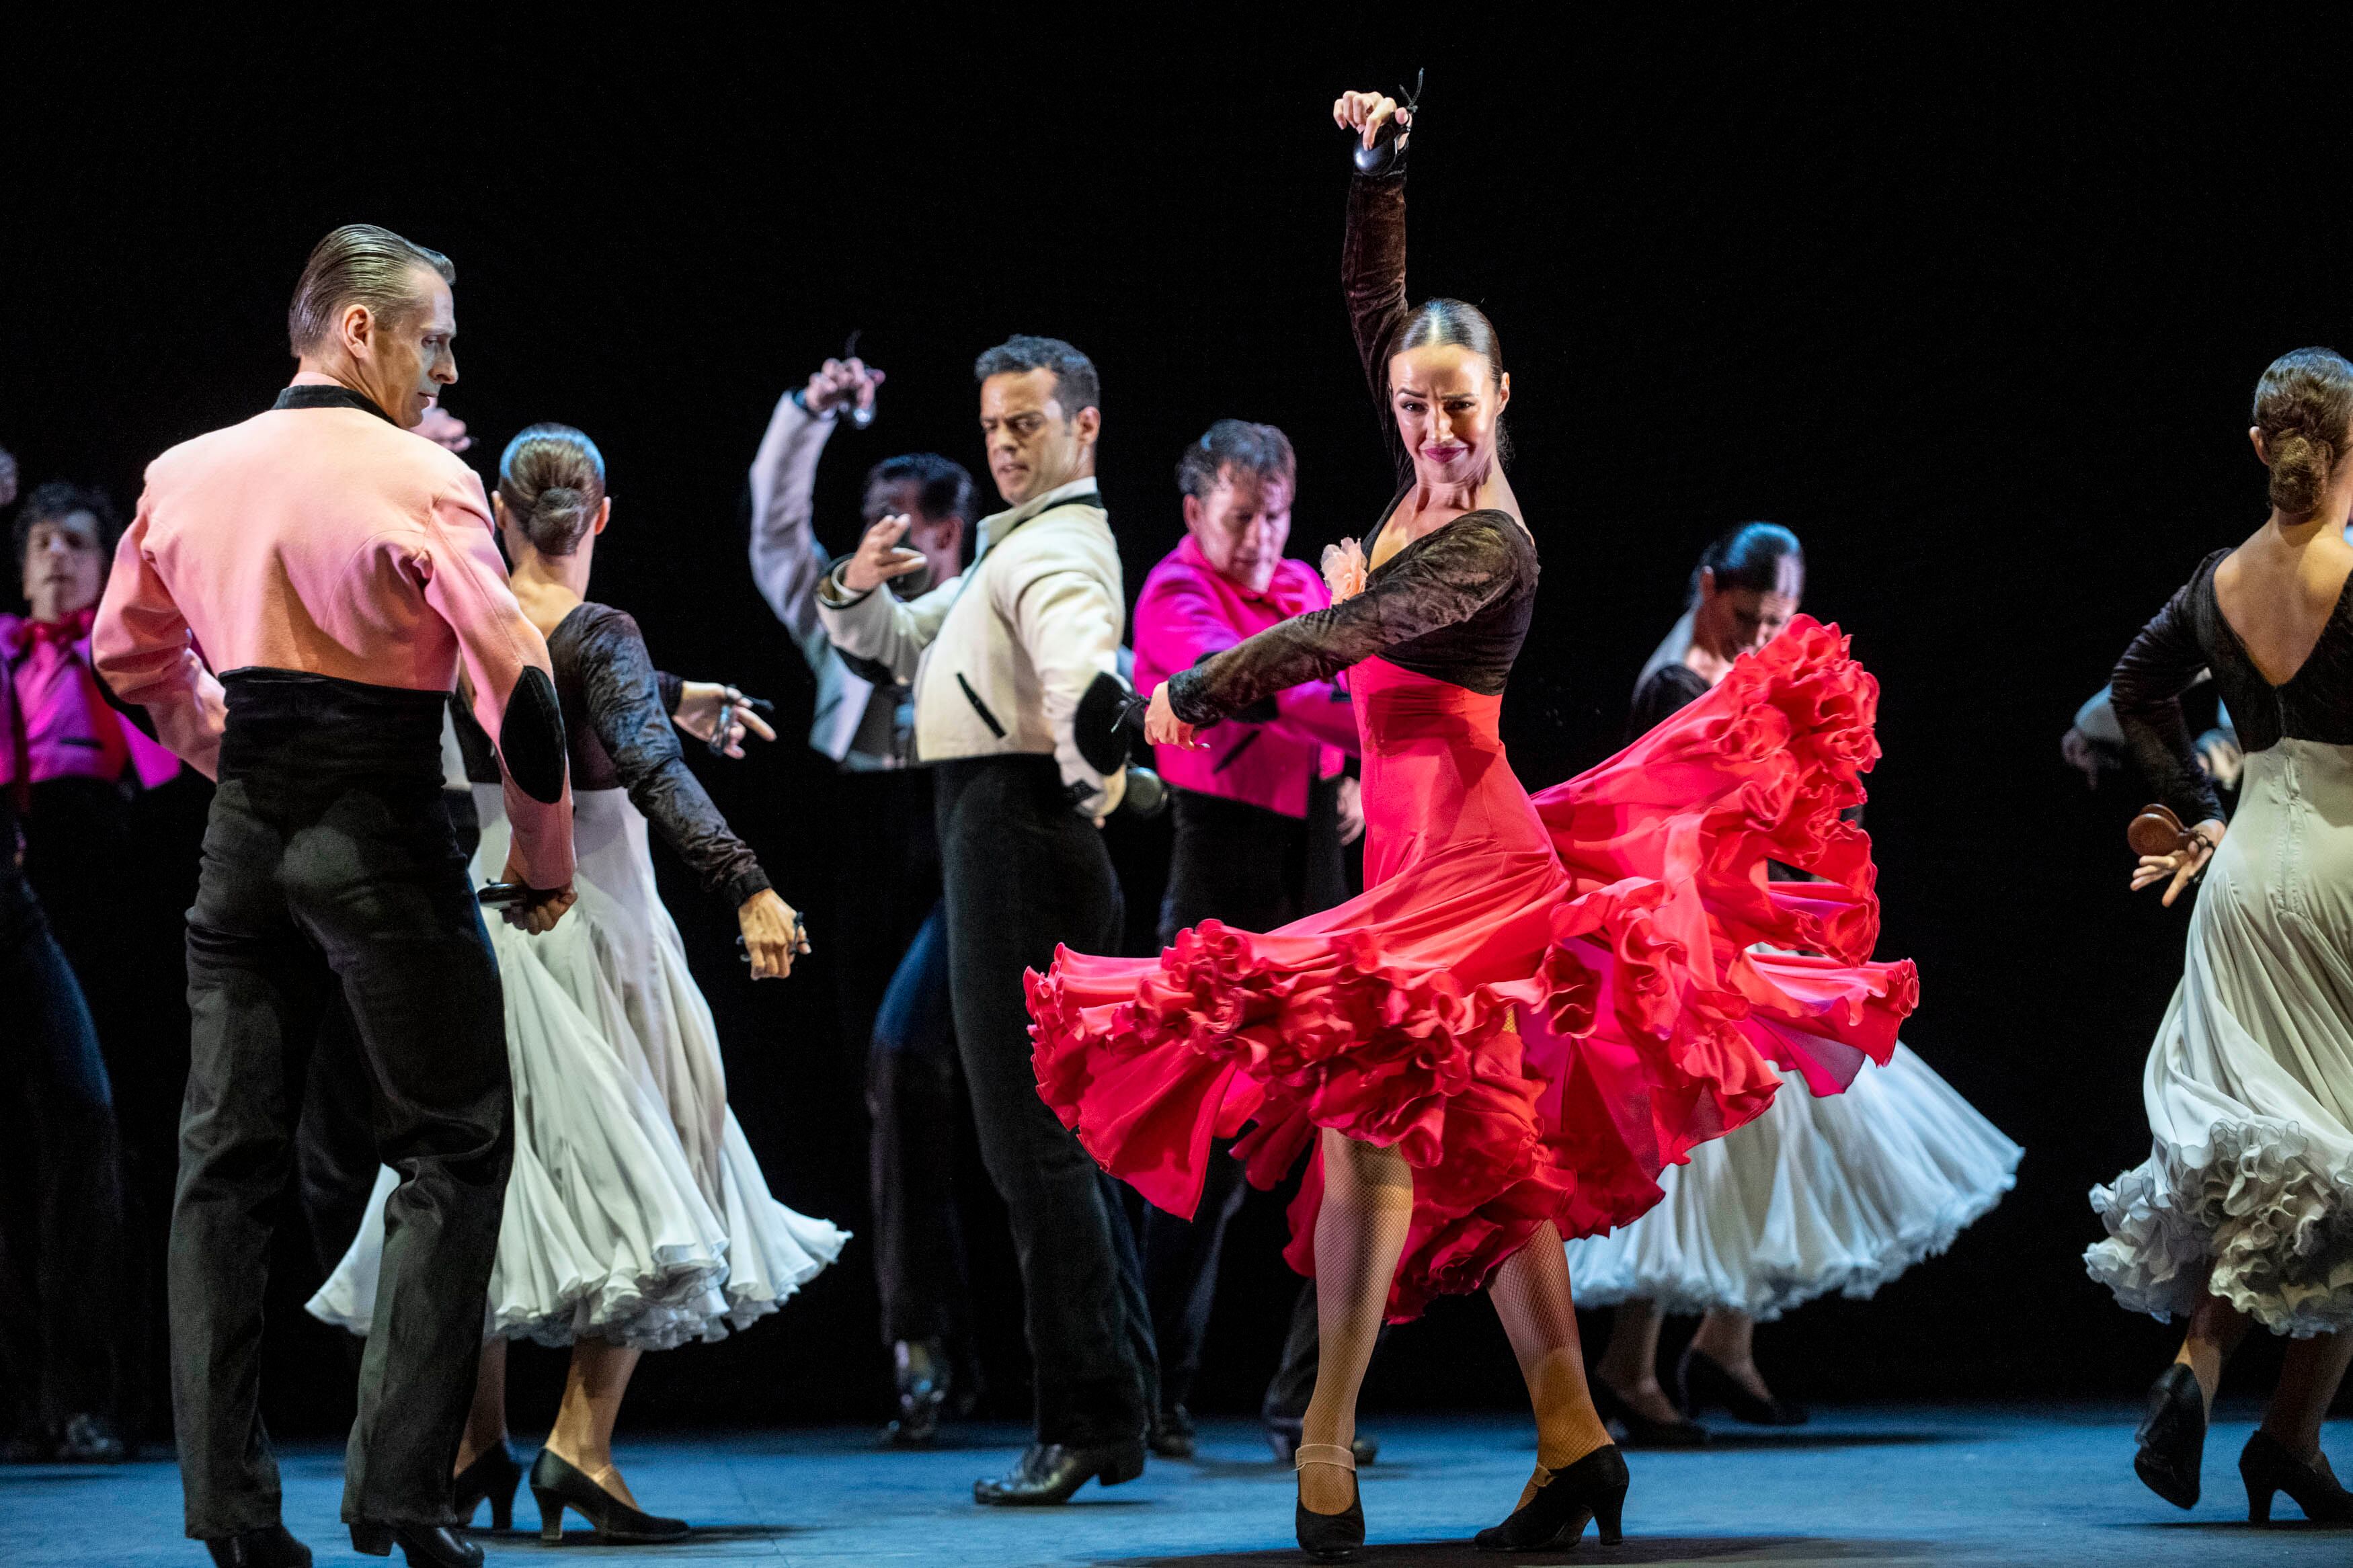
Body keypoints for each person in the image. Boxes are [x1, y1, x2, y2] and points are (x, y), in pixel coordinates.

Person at [1027, 89, 1917, 1558]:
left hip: (1476, 868)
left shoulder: (1492, 542)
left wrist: (1188, 691)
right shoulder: (1412, 464)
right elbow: (1376, 299)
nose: (1432, 426)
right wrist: (1380, 170)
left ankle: (1324, 1446)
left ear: (1505, 398)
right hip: (1410, 860)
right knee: (1480, 1161)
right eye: (1411, 405)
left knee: (1372, 1142)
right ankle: (1574, 1442)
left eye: (1457, 403)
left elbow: (1351, 628)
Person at [93, 222, 577, 1568]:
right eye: (431, 334)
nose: (446, 361)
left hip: (246, 831)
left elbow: (122, 650)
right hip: (378, 828)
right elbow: (520, 689)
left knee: (222, 1165)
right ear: (356, 328)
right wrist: (541, 861)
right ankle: (400, 1496)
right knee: (457, 1141)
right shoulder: (423, 477)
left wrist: (216, 748)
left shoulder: (185, 473)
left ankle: (230, 1516)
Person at [309, 423, 846, 1545]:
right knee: (662, 1162)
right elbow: (646, 763)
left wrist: (681, 687)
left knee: (502, 1177)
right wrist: (747, 882)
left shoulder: (463, 616)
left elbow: (572, 679)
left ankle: (473, 1445)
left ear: (499, 517)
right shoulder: (601, 629)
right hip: (603, 924)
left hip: (488, 915)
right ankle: (581, 1446)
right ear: (602, 515)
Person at [1569, 522, 2021, 1446]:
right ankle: (1632, 1361)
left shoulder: (1754, 676)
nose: (1761, 631)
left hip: (1749, 927)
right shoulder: (1671, 685)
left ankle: (1724, 1341)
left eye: (1778, 615)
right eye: (1748, 612)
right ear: (1707, 588)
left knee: (1784, 1134)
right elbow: (1653, 824)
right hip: (1688, 933)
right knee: (1699, 1148)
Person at [819, 334, 1157, 1504]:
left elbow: (1082, 682)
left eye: (1029, 422)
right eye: (996, 426)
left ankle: (1086, 1418)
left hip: (1015, 831)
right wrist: (857, 586)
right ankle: (1118, 1402)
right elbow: (908, 646)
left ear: (1086, 425)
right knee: (1054, 1148)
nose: (1007, 444)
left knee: (1032, 1153)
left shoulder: (1059, 550)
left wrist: (1096, 778)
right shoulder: (1014, 549)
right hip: (999, 828)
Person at [2087, 346, 2353, 1527]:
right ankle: (2259, 1409)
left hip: (2247, 878)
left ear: (2261, 447)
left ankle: (2243, 1404)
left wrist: (2202, 814)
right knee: (2328, 1157)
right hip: (2344, 871)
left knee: (2288, 1151)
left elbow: (2135, 689)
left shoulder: (2222, 579)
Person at [748, 355, 986, 1444]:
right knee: (891, 1104)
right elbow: (773, 526)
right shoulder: (838, 609)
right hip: (862, 841)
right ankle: (921, 1351)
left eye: (905, 528)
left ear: (951, 538)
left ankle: (1007, 1350)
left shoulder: (989, 604)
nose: (881, 545)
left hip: (959, 833)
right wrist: (807, 413)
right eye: (871, 524)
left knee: (962, 1090)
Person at [1130, 417, 1371, 1464]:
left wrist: (1348, 752)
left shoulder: (1300, 599)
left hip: (1312, 871)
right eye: (1241, 518)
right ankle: (1155, 1392)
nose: (1262, 540)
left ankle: (1307, 1405)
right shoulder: (1174, 591)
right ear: (1195, 511)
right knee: (1204, 1157)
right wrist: (1331, 707)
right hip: (1218, 870)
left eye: (1277, 518)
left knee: (1347, 1138)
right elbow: (1225, 687)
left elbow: (1354, 709)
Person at [1, 483, 185, 1462]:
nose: (55, 555)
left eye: (76, 541)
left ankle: (104, 1393)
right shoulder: (0, 654)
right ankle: (28, 1395)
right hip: (18, 880)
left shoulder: (121, 657)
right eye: (39, 539)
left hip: (114, 895)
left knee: (111, 1145)